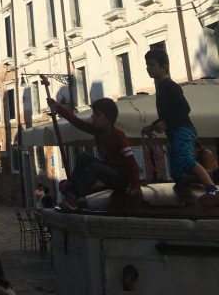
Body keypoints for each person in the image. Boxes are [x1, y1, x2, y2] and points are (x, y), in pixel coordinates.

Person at [143, 48, 219, 197]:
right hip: (173, 132)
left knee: (185, 160)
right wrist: (152, 126)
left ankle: (211, 189)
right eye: (147, 65)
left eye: (151, 65)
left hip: (182, 130)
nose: (148, 68)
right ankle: (212, 176)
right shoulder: (160, 89)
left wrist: (166, 124)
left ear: (163, 67)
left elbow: (185, 108)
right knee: (178, 175)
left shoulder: (170, 86)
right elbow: (167, 115)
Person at [46, 96, 141, 208]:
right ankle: (72, 189)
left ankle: (75, 197)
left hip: (121, 179)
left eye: (97, 115)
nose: (93, 118)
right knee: (83, 156)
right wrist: (58, 107)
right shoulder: (97, 131)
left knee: (95, 167)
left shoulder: (119, 136)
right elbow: (76, 122)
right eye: (93, 114)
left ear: (109, 119)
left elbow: (131, 162)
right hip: (108, 172)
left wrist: (136, 185)